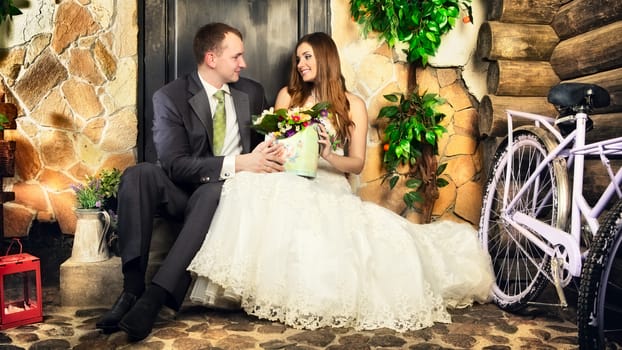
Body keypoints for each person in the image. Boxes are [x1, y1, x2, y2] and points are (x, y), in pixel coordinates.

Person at [187, 32, 494, 332]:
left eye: (307, 57)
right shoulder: (287, 97)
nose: (300, 64)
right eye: (297, 59)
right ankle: (256, 289)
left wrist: (328, 154)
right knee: (254, 188)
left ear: (326, 58)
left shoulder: (352, 105)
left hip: (329, 180)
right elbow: (277, 143)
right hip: (289, 175)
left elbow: (357, 163)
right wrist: (283, 147)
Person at [95, 23, 285, 341]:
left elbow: (269, 142)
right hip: (184, 191)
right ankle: (131, 290)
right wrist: (238, 162)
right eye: (237, 56)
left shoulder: (252, 92)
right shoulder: (169, 97)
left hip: (231, 193)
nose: (244, 63)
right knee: (138, 174)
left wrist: (275, 148)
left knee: (212, 192)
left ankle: (155, 298)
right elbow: (175, 164)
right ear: (211, 58)